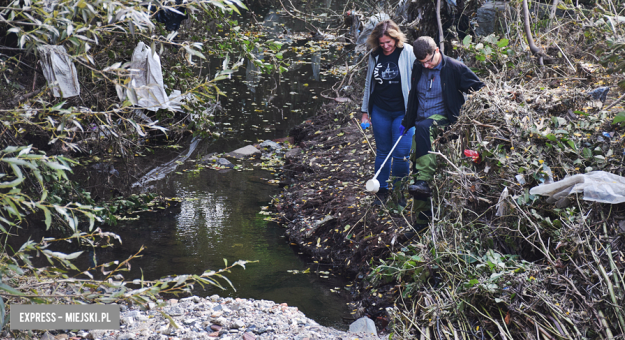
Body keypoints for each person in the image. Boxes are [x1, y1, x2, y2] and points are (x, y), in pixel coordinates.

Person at [400, 36, 484, 231]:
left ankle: (425, 180)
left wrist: (470, 116)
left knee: (423, 170)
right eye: (423, 63)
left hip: (445, 123)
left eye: (430, 60)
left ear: (437, 50)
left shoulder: (454, 68)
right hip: (422, 125)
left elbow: (480, 89)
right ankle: (421, 221)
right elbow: (414, 96)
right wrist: (407, 121)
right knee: (416, 172)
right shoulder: (418, 67)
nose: (427, 66)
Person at [360, 20, 416, 205]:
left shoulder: (408, 52)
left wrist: (416, 106)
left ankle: (399, 192)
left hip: (403, 113)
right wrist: (365, 112)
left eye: (388, 42)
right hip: (380, 111)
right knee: (383, 152)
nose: (385, 46)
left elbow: (418, 78)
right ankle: (381, 190)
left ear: (396, 38)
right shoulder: (375, 55)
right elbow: (369, 83)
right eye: (382, 43)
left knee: (401, 154)